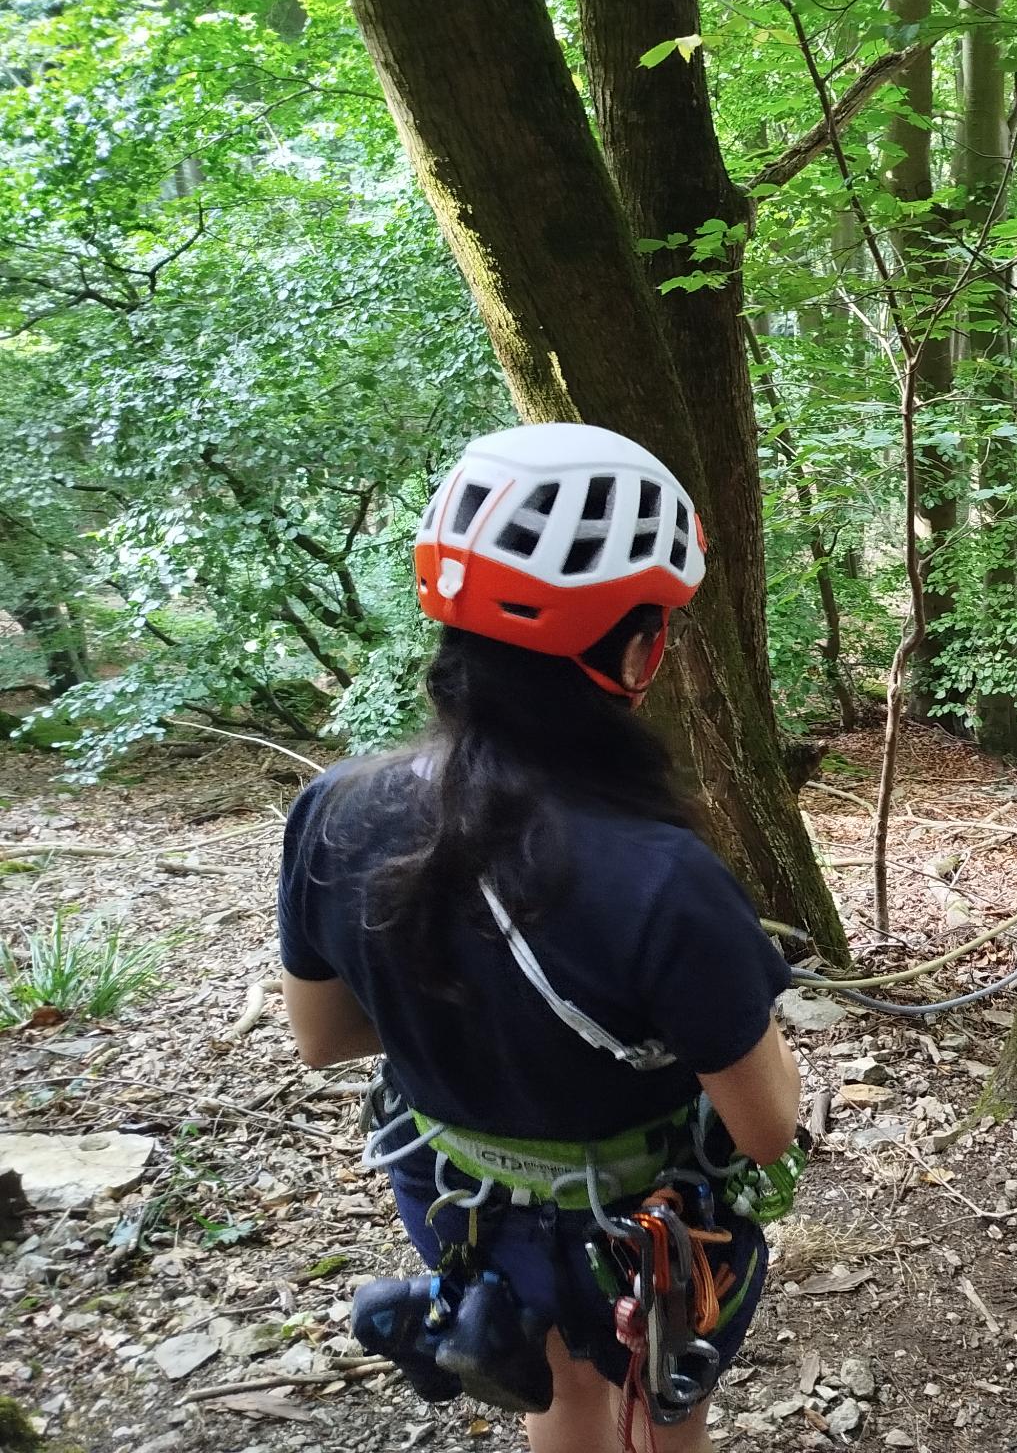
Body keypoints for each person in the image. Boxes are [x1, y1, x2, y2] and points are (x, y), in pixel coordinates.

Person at [277, 423, 802, 1453]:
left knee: (556, 1389)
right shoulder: (663, 879)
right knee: (662, 1399)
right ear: (639, 647)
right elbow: (766, 1130)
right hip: (645, 1232)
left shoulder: (334, 811)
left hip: (461, 1203)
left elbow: (327, 1037)